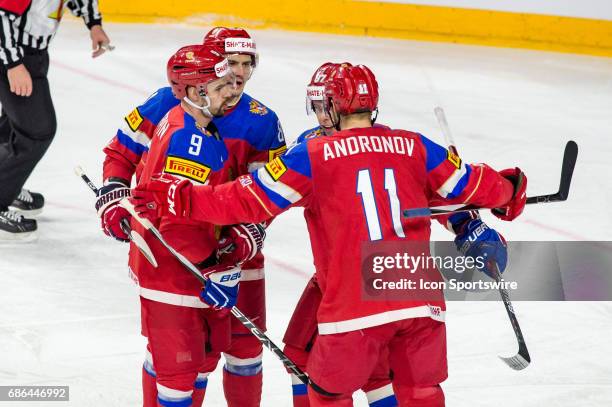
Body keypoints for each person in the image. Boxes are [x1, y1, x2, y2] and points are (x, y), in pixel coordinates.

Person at [131, 62, 527, 406]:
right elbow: (472, 187)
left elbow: (246, 200)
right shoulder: (413, 145)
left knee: (329, 387)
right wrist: (505, 195)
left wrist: (179, 197)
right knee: (417, 390)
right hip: (418, 297)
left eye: (323, 104)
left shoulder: (313, 156)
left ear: (335, 106)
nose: (319, 112)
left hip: (353, 299)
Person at [99, 27, 285, 406]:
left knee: (244, 351)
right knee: (181, 361)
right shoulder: (169, 103)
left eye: (246, 65)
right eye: (229, 64)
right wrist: (115, 192)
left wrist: (249, 234)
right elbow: (122, 152)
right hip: (184, 255)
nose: (237, 75)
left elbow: (270, 194)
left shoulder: (262, 120)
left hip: (238, 255)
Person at [0, 0, 111, 239]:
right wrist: (13, 63)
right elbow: (2, 14)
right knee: (36, 130)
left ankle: (8, 185)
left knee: (12, 125)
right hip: (14, 54)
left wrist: (93, 24)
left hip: (32, 54)